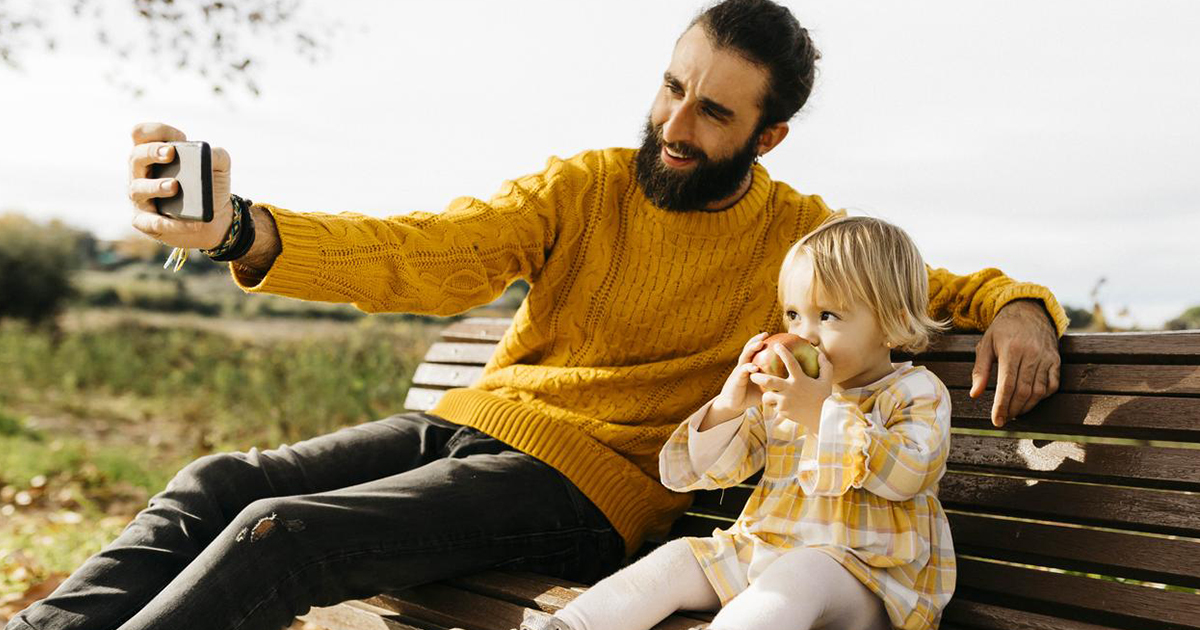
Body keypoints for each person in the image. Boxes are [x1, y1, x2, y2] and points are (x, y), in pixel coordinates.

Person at [7, 1, 1067, 629]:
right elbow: (425, 251)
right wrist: (243, 229)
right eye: (671, 88)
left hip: (585, 489)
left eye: (713, 111)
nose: (675, 124)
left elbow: (924, 286)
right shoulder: (586, 186)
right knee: (219, 483)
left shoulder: (793, 241)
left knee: (277, 536)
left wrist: (1017, 302)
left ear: (769, 136)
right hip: (474, 424)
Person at [529, 216, 954, 630]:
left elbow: (909, 475)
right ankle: (569, 626)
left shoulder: (915, 391)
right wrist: (730, 408)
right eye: (792, 315)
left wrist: (820, 414)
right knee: (680, 558)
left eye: (827, 316)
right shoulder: (786, 393)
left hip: (868, 578)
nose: (804, 335)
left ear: (894, 323)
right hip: (764, 551)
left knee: (802, 573)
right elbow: (717, 471)